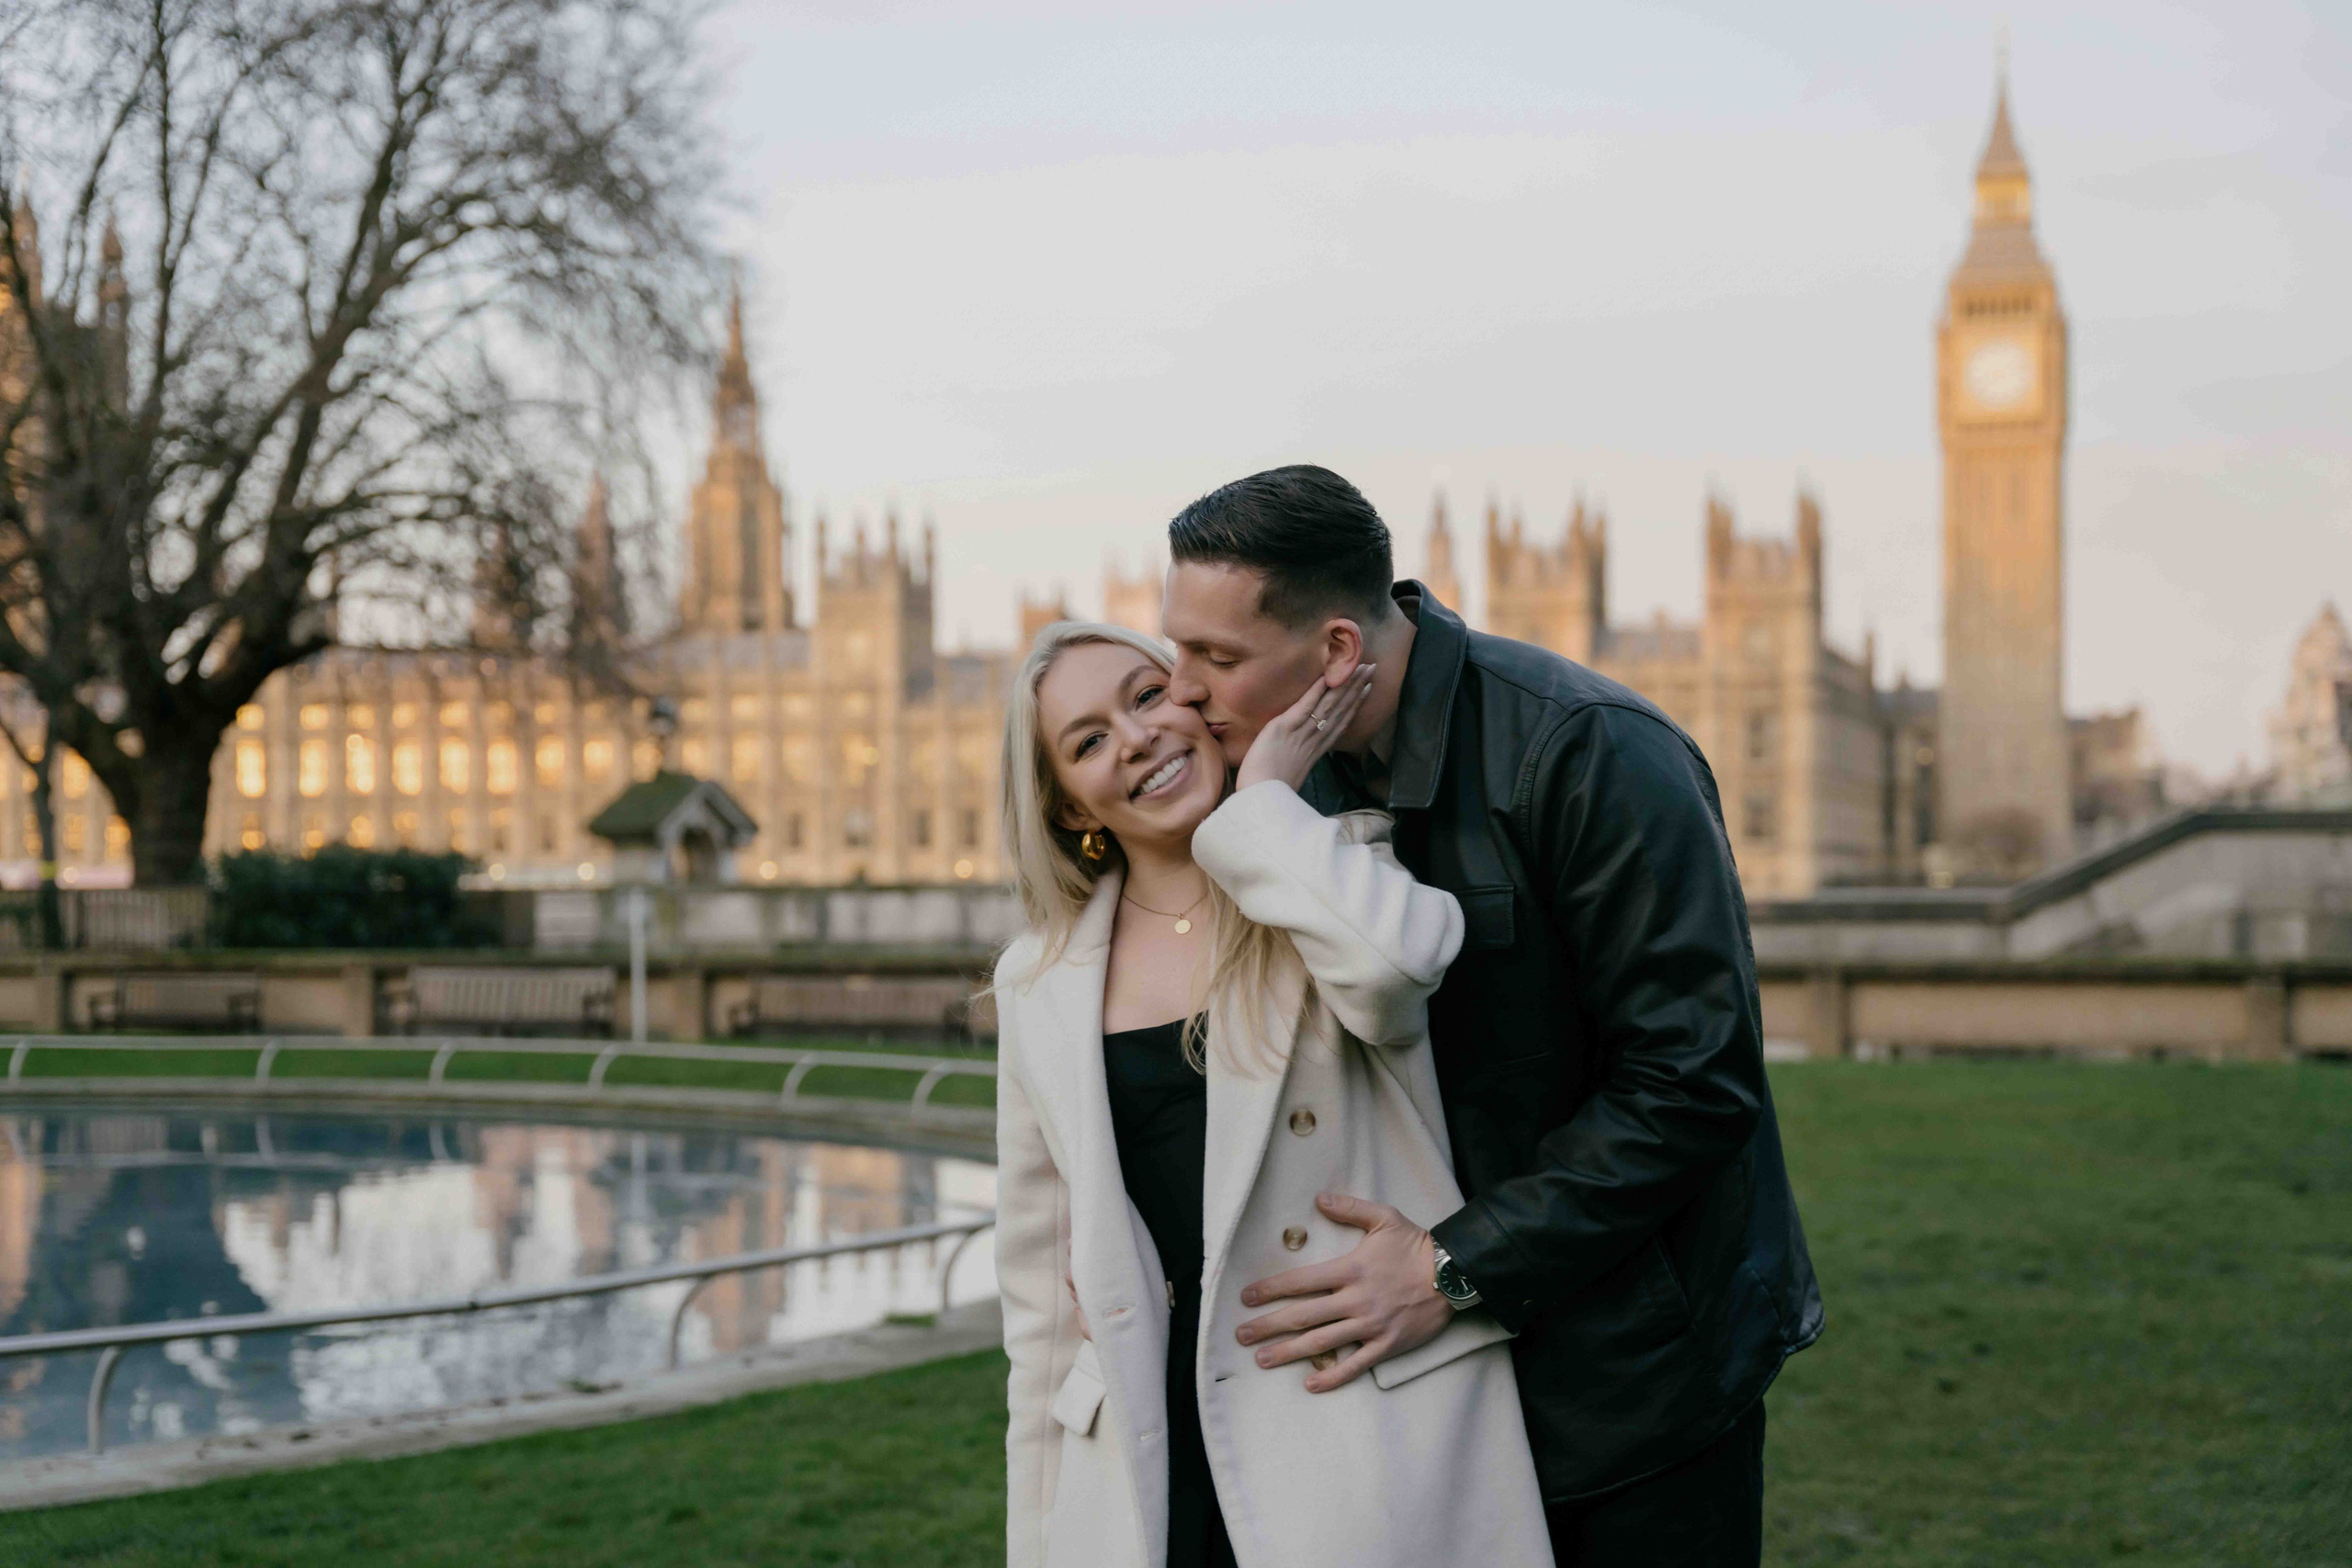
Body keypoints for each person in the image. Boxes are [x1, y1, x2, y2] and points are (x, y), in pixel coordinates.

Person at [1157, 464, 1823, 1567]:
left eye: (1215, 659)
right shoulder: (1279, 779)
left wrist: (1451, 1267)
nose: (1181, 691)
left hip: (1630, 1372)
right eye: (1177, 649)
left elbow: (1690, 1081)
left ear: (1334, 652)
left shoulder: (1587, 750)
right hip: (1422, 1382)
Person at [992, 620, 1554, 1568]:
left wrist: (1261, 807)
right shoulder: (1036, 981)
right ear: (1066, 807)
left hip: (1350, 1430)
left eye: (1146, 694)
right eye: (1087, 741)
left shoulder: (1330, 874)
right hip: (1146, 1445)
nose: (1134, 738)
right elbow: (1041, 1303)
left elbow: (1394, 974)